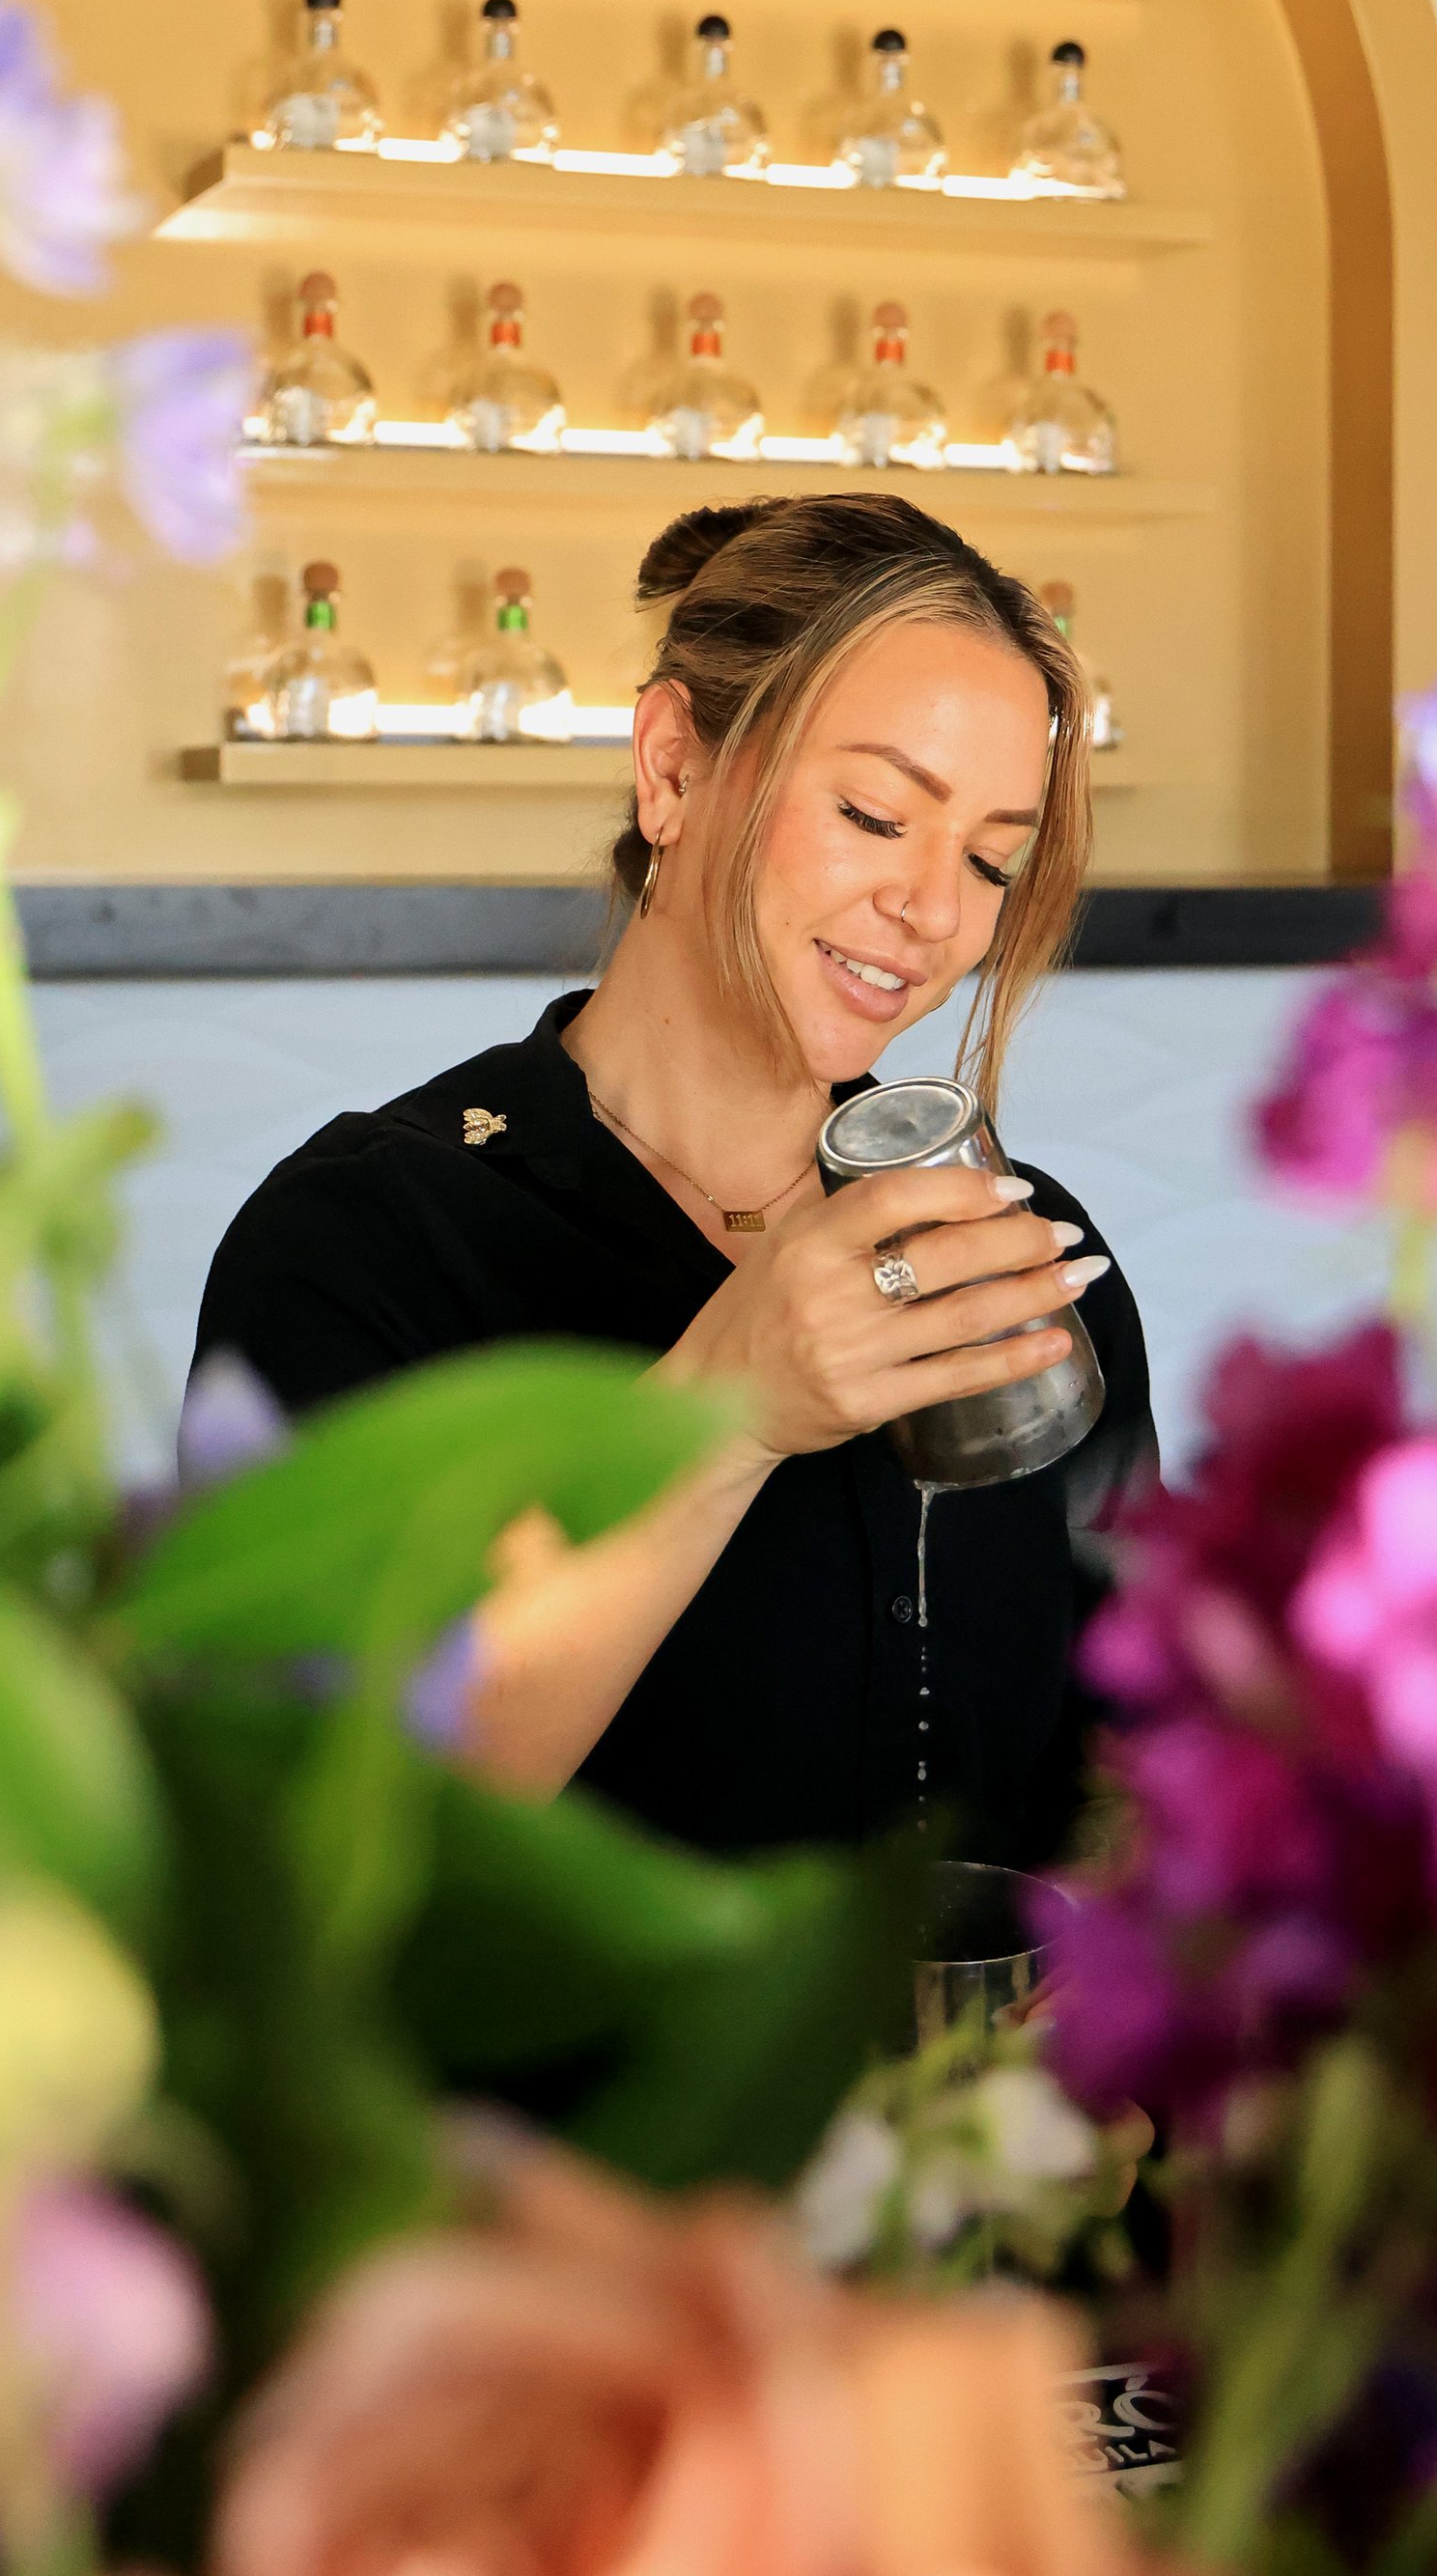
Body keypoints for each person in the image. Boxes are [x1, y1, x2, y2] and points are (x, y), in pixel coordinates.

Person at [193, 492, 1154, 1862]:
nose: (937, 915)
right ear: (673, 770)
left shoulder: (1018, 1262)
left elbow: (1141, 1771)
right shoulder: (367, 1242)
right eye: (878, 814)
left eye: (992, 858)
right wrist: (732, 1397)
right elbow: (311, 1835)